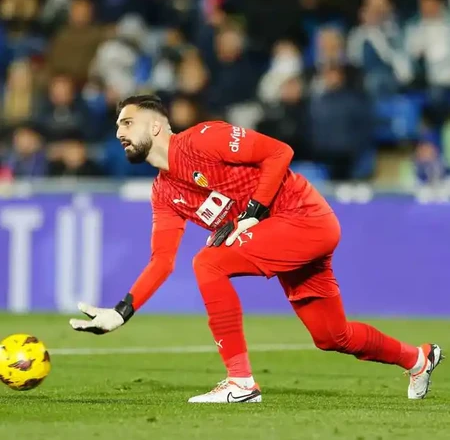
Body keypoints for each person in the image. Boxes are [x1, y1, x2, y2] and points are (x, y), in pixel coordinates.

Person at [69, 94, 443, 403]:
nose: (118, 132)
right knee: (331, 336)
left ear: (155, 126)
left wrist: (253, 212)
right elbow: (162, 261)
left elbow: (280, 152)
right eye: (117, 125)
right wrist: (122, 312)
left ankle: (240, 382)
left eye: (127, 122)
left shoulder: (203, 139)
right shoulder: (163, 192)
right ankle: (418, 359)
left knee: (208, 263)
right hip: (283, 236)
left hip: (304, 218)